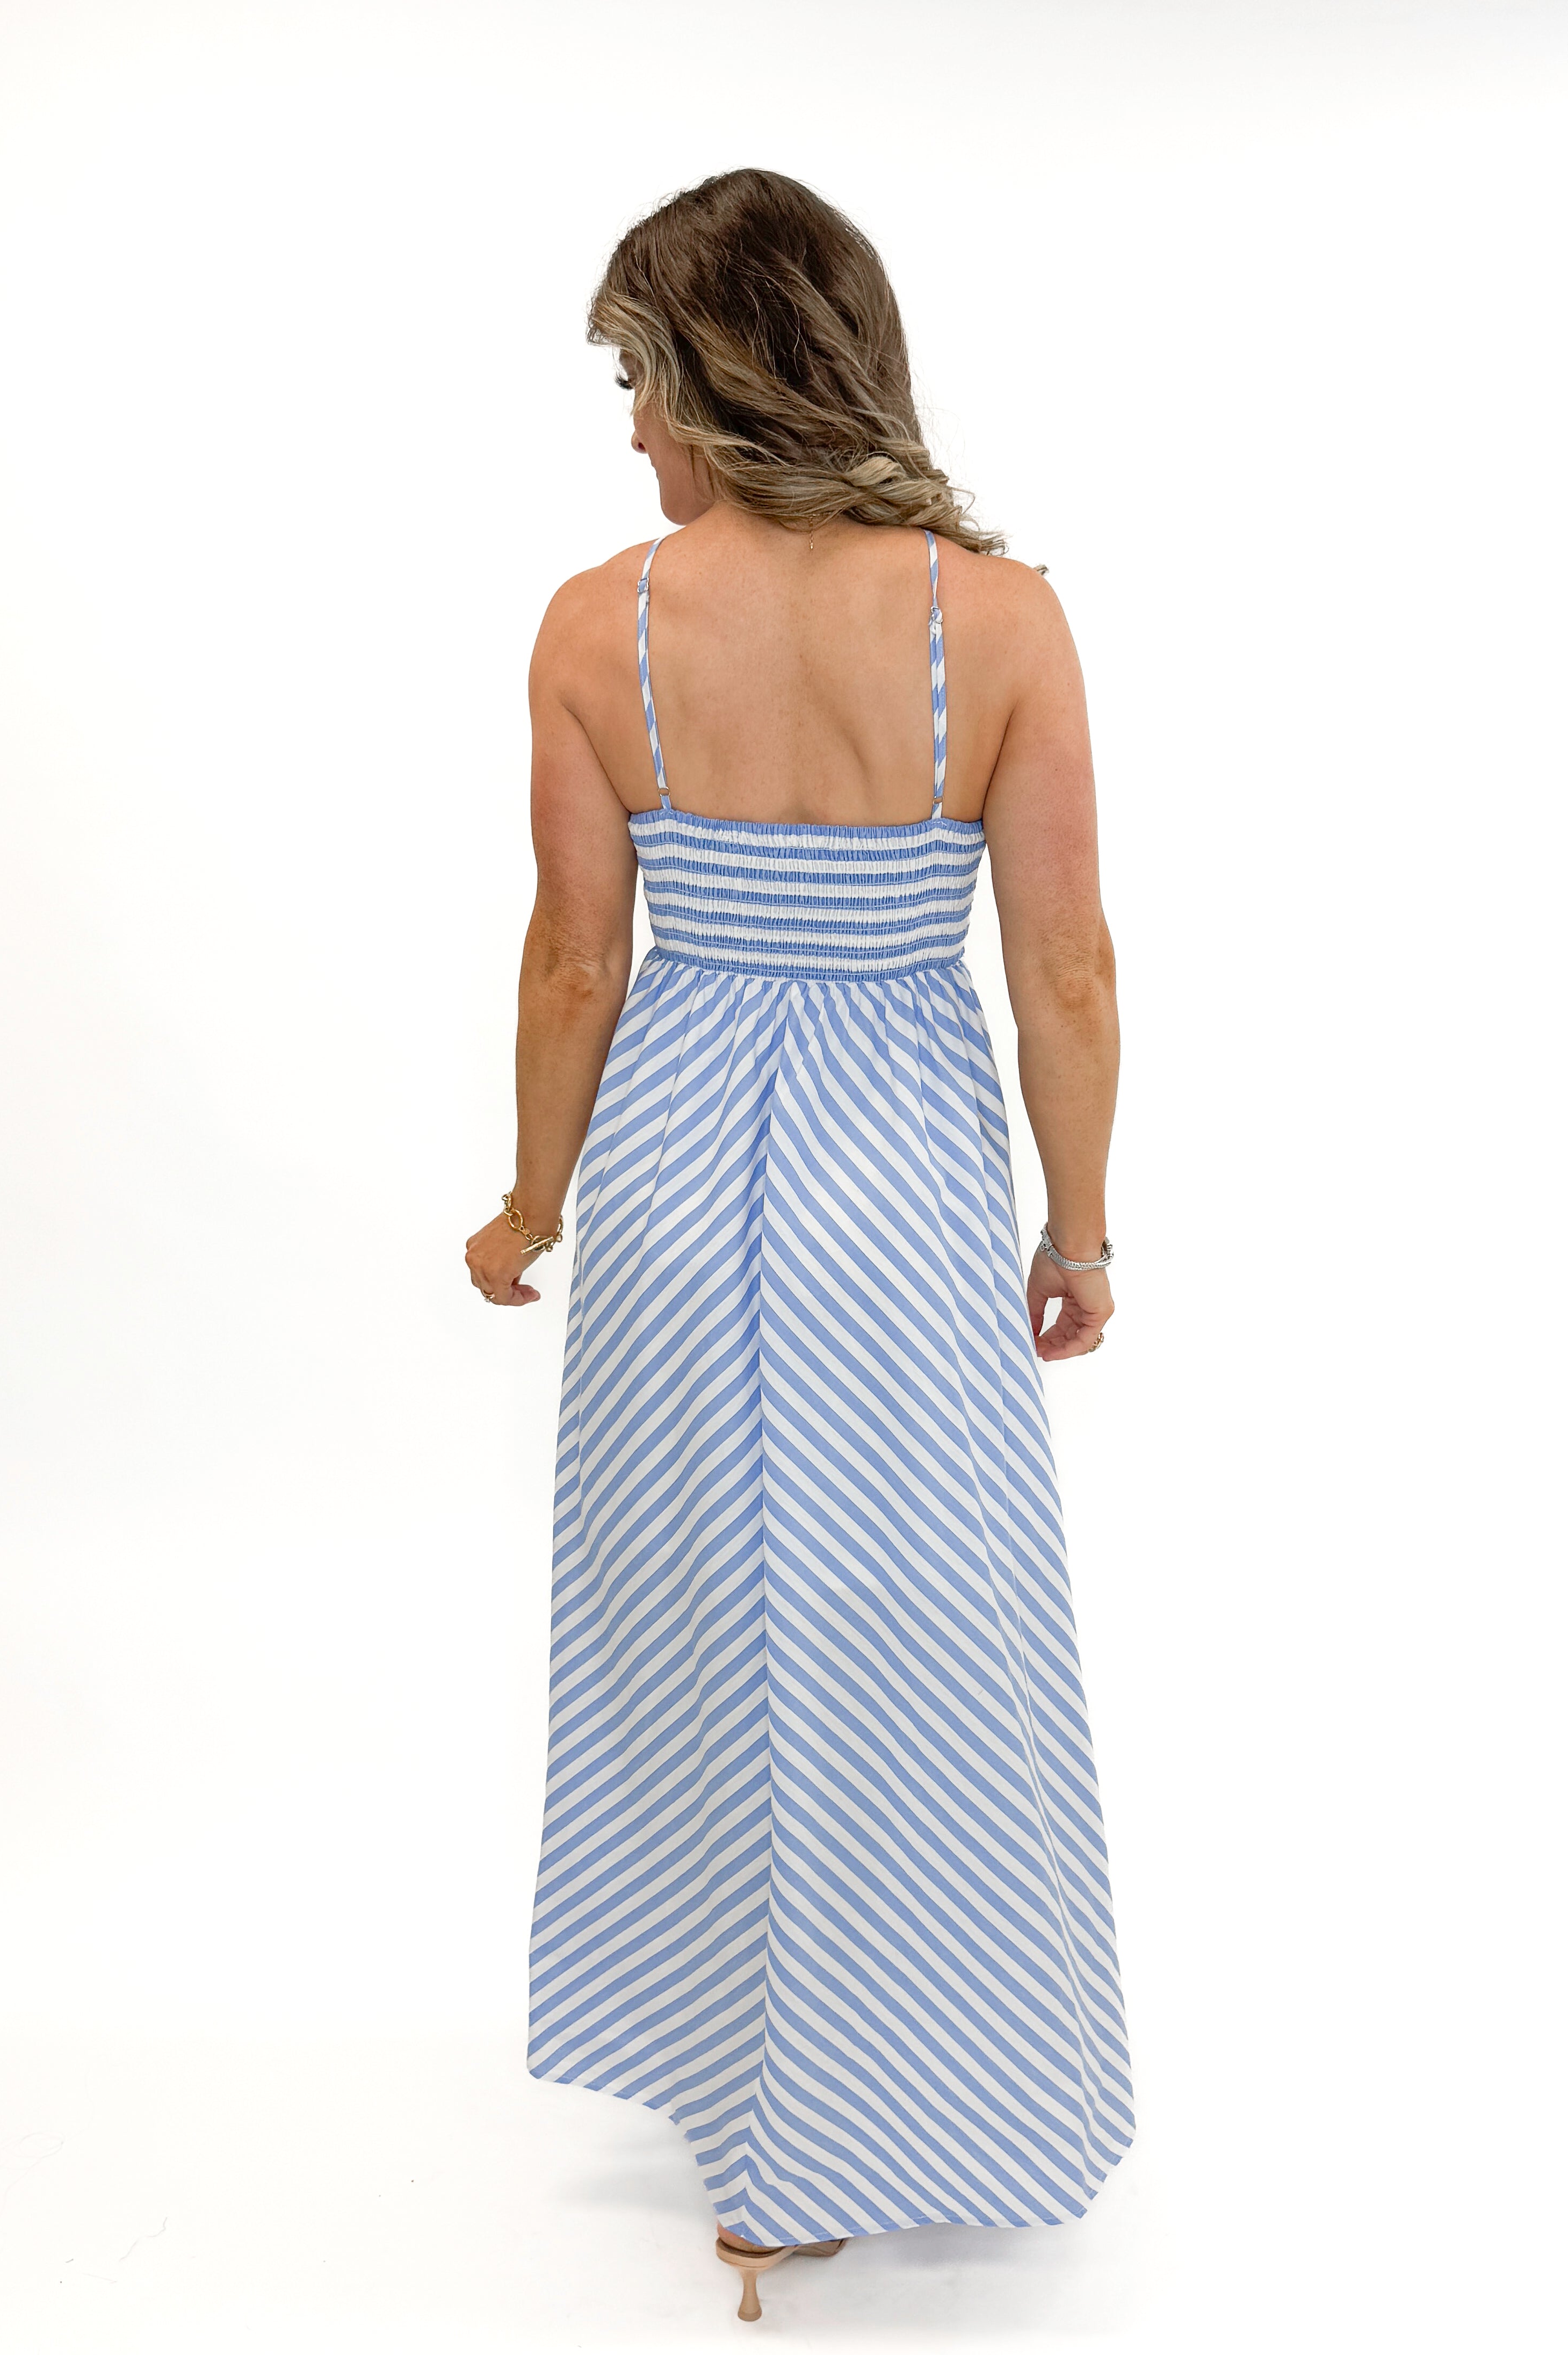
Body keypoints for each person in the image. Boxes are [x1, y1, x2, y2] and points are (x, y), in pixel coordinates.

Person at [464, 167, 1133, 2323]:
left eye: (638, 381)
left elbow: (580, 961)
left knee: (693, 1627)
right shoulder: (995, 625)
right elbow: (1067, 976)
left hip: (671, 1178)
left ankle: (762, 2118)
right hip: (909, 1192)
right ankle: (880, 2104)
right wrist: (1081, 1225)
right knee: (911, 1638)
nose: (628, 434)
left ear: (721, 371)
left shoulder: (600, 626)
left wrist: (533, 1199)